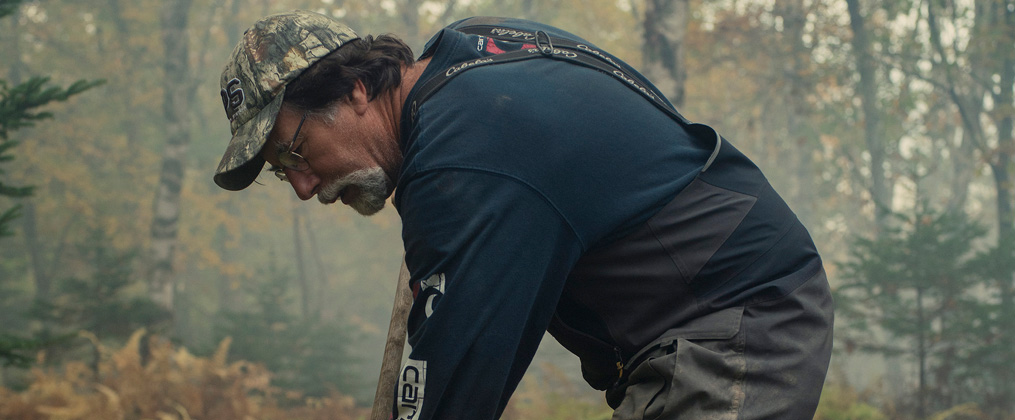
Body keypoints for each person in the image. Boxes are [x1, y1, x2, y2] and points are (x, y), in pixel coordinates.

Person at [212, 10, 834, 420]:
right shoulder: (467, 61)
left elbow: (456, 384)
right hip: (713, 322)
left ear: (354, 90)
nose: (302, 187)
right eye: (279, 170)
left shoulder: (465, 158)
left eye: (294, 151)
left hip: (734, 327)